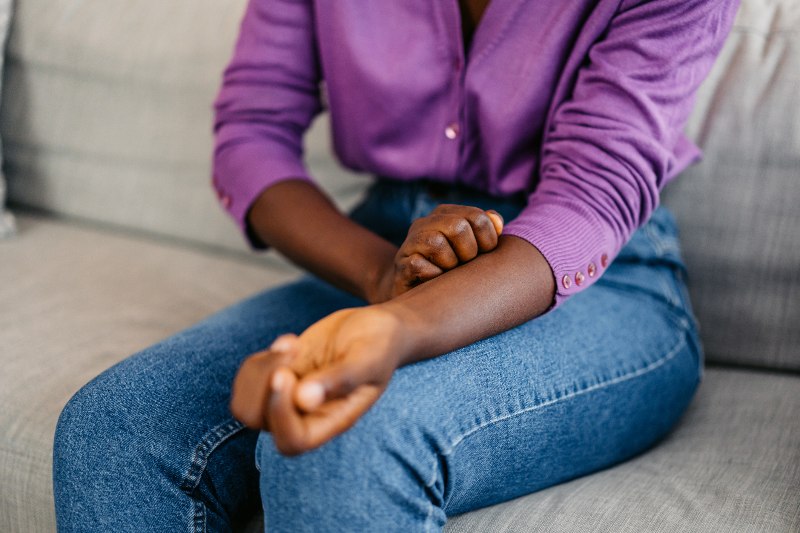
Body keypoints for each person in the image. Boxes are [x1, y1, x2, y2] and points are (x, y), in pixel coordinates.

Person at [52, 0, 739, 531]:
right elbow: (252, 135)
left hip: (600, 273)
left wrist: (401, 324)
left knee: (342, 437)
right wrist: (382, 276)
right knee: (111, 429)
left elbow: (591, 196)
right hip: (382, 243)